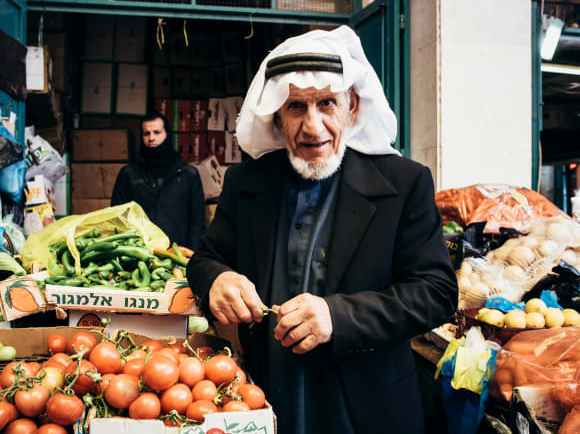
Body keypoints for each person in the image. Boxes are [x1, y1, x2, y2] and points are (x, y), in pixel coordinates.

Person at [186, 26, 458, 433]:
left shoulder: (404, 183)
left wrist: (339, 316)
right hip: (266, 395)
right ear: (277, 116)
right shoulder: (247, 183)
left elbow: (436, 291)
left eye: (326, 104)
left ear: (351, 108)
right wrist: (217, 279)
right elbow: (207, 258)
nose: (312, 127)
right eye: (296, 107)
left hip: (368, 406)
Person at [111, 112, 205, 250]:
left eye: (157, 132)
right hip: (139, 253)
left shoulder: (188, 175)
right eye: (146, 133)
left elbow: (197, 221)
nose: (151, 138)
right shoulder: (129, 174)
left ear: (167, 134)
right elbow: (117, 217)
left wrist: (192, 255)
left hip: (178, 254)